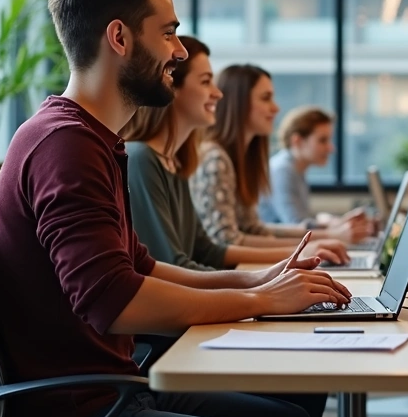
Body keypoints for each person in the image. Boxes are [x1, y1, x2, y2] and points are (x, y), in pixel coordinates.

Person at [0, 0, 349, 417]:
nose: (178, 51)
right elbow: (116, 302)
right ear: (119, 37)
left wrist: (259, 280)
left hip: (114, 386)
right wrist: (259, 302)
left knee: (291, 411)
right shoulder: (65, 146)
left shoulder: (93, 139)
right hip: (84, 410)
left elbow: (143, 268)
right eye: (168, 33)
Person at [123, 37, 346, 270]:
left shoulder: (177, 161)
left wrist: (300, 252)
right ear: (171, 85)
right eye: (206, 81)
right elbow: (176, 264)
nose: (218, 94)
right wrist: (263, 284)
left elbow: (207, 249)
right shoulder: (145, 159)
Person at [191, 65, 373, 254]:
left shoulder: (244, 160)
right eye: (265, 98)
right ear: (238, 104)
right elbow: (227, 241)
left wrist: (325, 237)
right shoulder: (215, 159)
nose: (276, 107)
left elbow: (254, 228)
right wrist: (310, 247)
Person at [258, 106, 369, 229]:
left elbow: (303, 220)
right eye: (322, 140)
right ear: (298, 141)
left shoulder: (296, 170)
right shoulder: (282, 171)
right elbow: (298, 226)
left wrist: (340, 223)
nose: (331, 148)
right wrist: (339, 226)